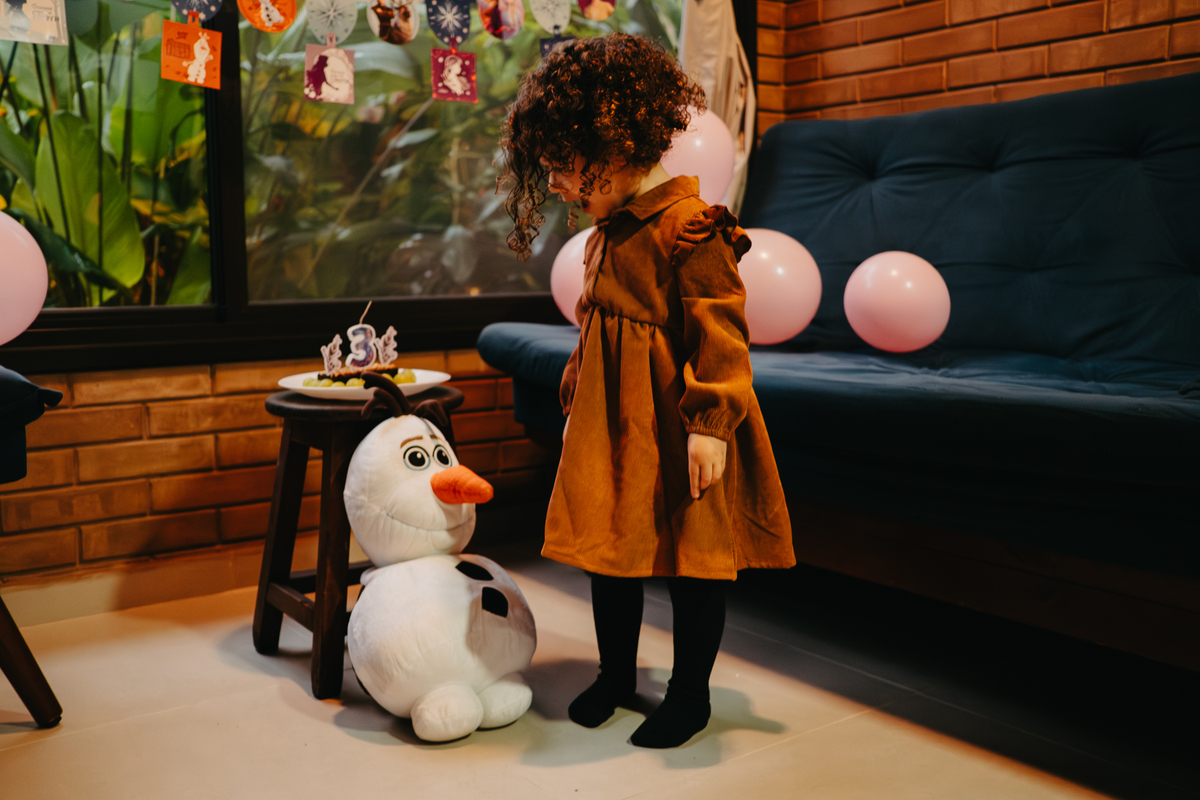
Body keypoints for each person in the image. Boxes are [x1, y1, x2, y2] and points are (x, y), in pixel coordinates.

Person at [500, 34, 794, 749]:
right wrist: (576, 389)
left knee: (694, 561)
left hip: (678, 422)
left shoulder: (691, 228)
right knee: (611, 549)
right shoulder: (607, 231)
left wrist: (709, 426)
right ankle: (616, 674)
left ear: (613, 144)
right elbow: (596, 323)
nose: (558, 185)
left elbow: (722, 333)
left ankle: (690, 694)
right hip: (616, 426)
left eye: (563, 166)